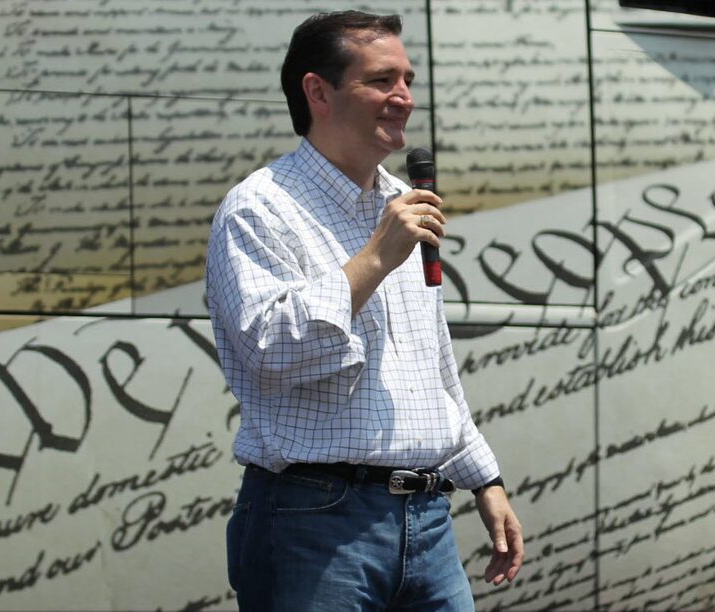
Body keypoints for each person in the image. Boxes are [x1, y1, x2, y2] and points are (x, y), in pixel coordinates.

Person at [206, 10, 524, 611]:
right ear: (317, 91)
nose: (403, 98)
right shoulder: (259, 208)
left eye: (407, 80)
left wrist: (485, 478)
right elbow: (270, 350)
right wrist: (376, 256)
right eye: (382, 80)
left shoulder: (403, 203)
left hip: (427, 520)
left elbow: (430, 366)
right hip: (313, 521)